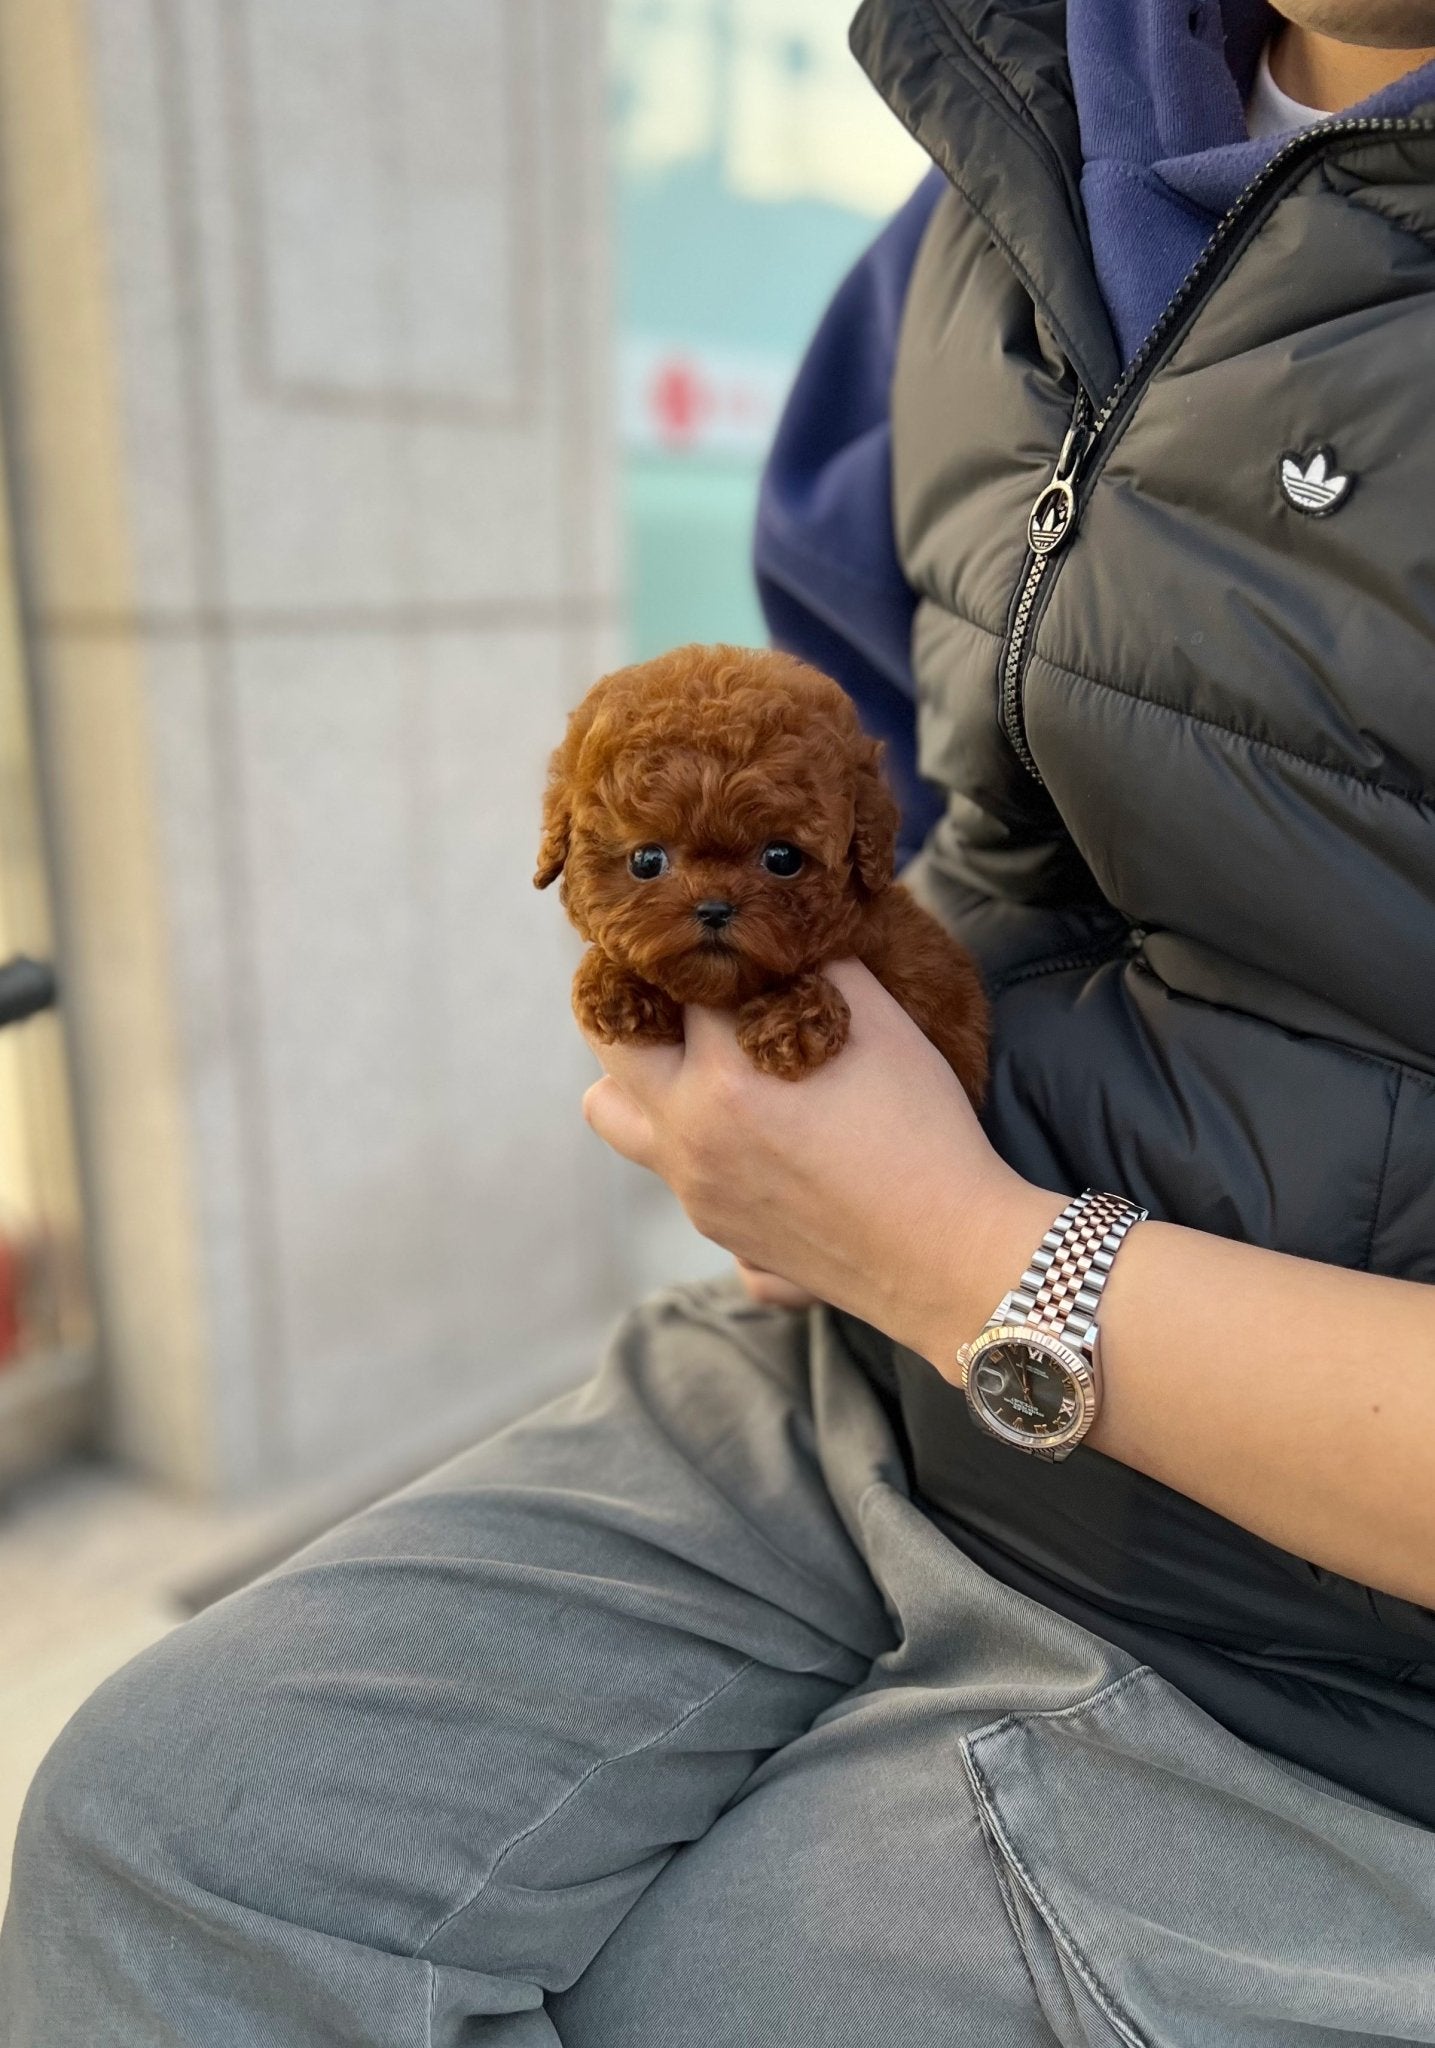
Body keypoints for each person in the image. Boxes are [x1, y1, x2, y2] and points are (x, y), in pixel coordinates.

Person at [5, 0, 1435, 2040]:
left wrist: (965, 1256)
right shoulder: (995, 152)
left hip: (1337, 1656)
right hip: (846, 1371)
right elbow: (887, 795)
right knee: (162, 1840)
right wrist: (792, 1075)